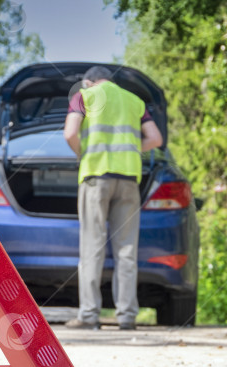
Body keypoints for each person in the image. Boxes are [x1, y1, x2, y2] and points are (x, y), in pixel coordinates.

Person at [63, 66, 163, 330]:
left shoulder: (84, 96)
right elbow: (155, 138)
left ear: (88, 82)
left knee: (92, 247)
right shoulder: (134, 101)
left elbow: (70, 133)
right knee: (126, 250)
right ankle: (127, 316)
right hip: (129, 179)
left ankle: (89, 315)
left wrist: (82, 155)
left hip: (96, 176)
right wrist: (132, 150)